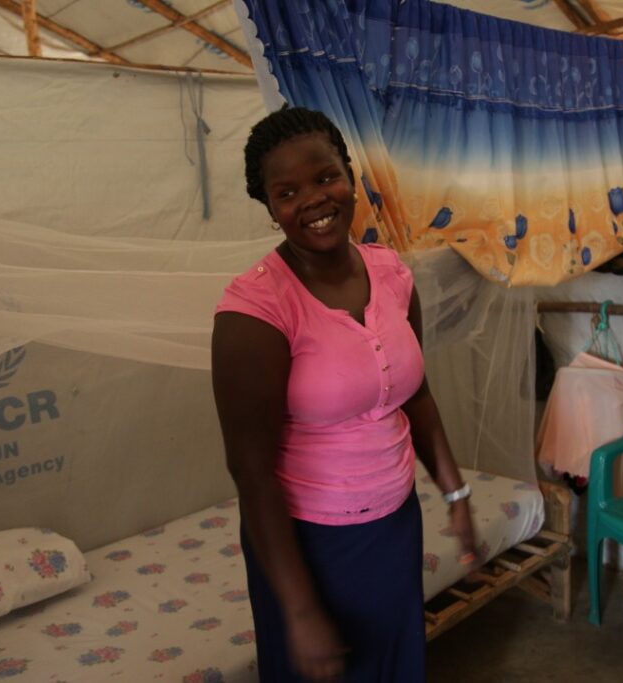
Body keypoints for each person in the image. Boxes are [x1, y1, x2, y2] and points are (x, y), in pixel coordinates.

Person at [211, 107, 477, 683]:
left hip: (393, 524)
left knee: (394, 666)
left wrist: (455, 495)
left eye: (325, 177)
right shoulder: (255, 311)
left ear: (349, 175)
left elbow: (418, 394)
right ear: (269, 206)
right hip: (307, 543)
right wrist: (301, 610)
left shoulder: (392, 275)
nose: (313, 199)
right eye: (287, 191)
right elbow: (250, 471)